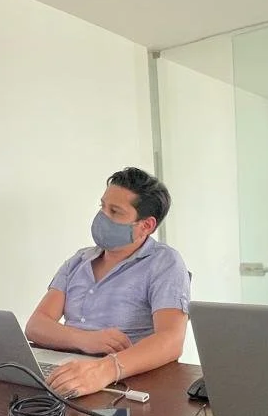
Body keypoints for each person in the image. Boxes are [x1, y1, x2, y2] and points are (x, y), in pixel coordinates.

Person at [27, 167, 190, 399]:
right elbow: (36, 326)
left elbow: (171, 340)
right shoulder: (78, 260)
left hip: (122, 383)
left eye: (115, 211)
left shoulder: (165, 262)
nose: (103, 217)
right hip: (66, 372)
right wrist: (86, 340)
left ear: (146, 226)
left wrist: (105, 369)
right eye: (102, 207)